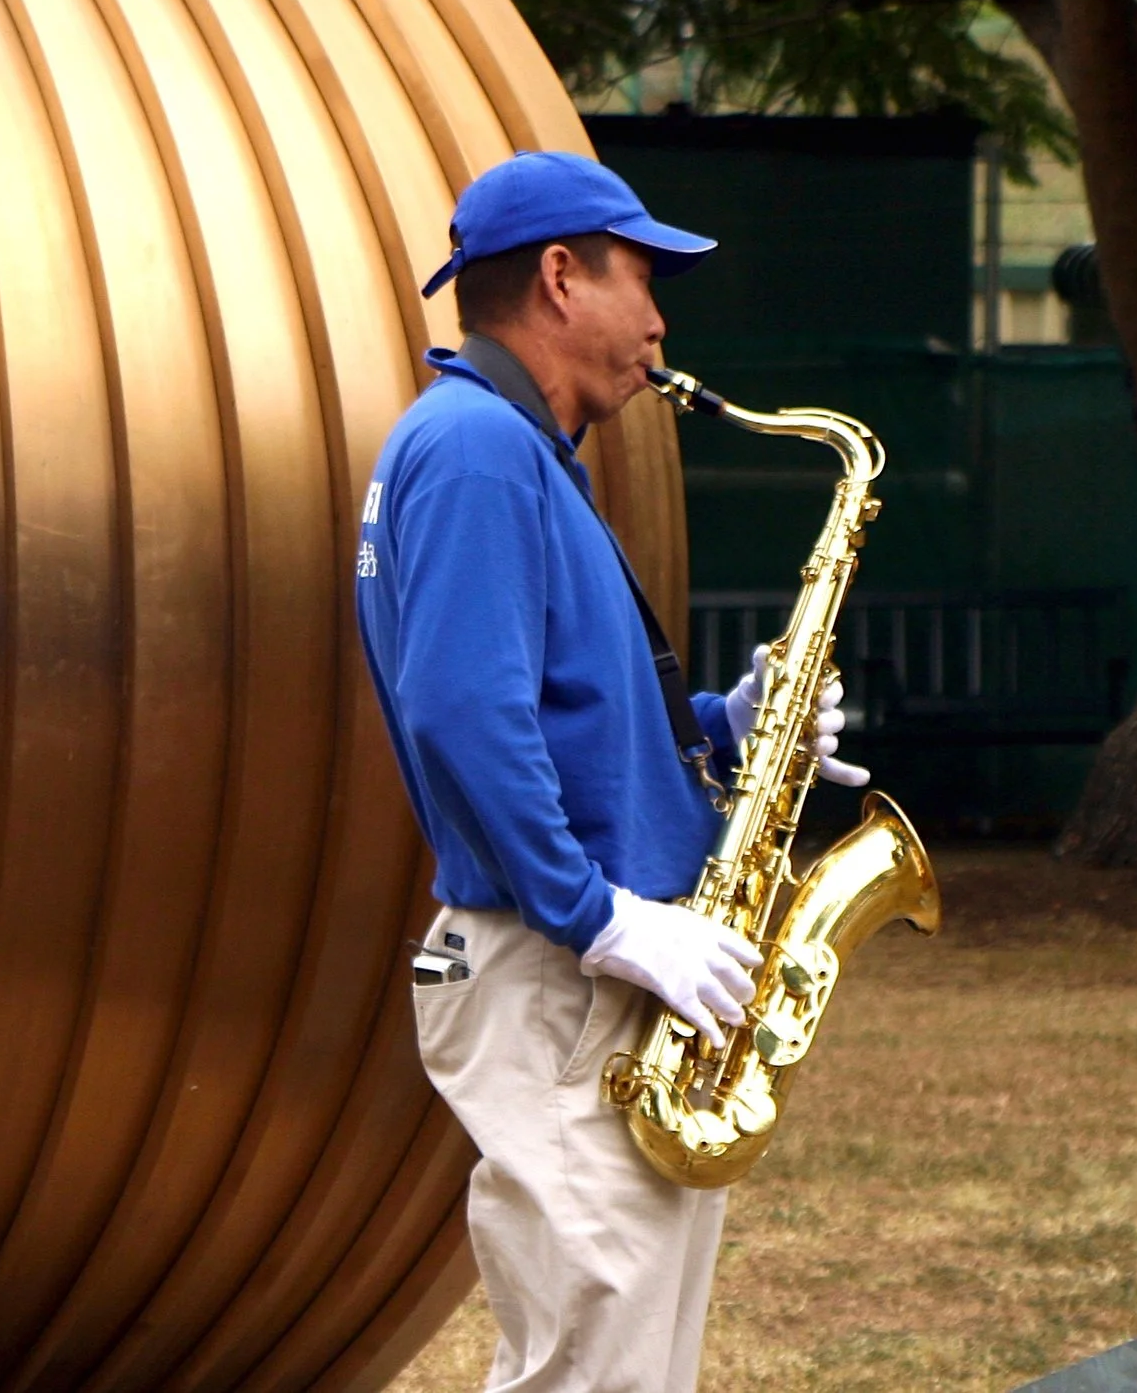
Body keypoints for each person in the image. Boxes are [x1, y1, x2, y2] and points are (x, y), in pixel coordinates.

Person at [354, 149, 865, 1393]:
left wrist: (734, 725)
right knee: (597, 1370)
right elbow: (460, 711)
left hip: (580, 976)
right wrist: (599, 917)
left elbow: (554, 714)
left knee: (626, 1364)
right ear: (560, 276)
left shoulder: (510, 448)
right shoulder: (478, 449)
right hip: (562, 972)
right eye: (644, 278)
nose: (660, 321)